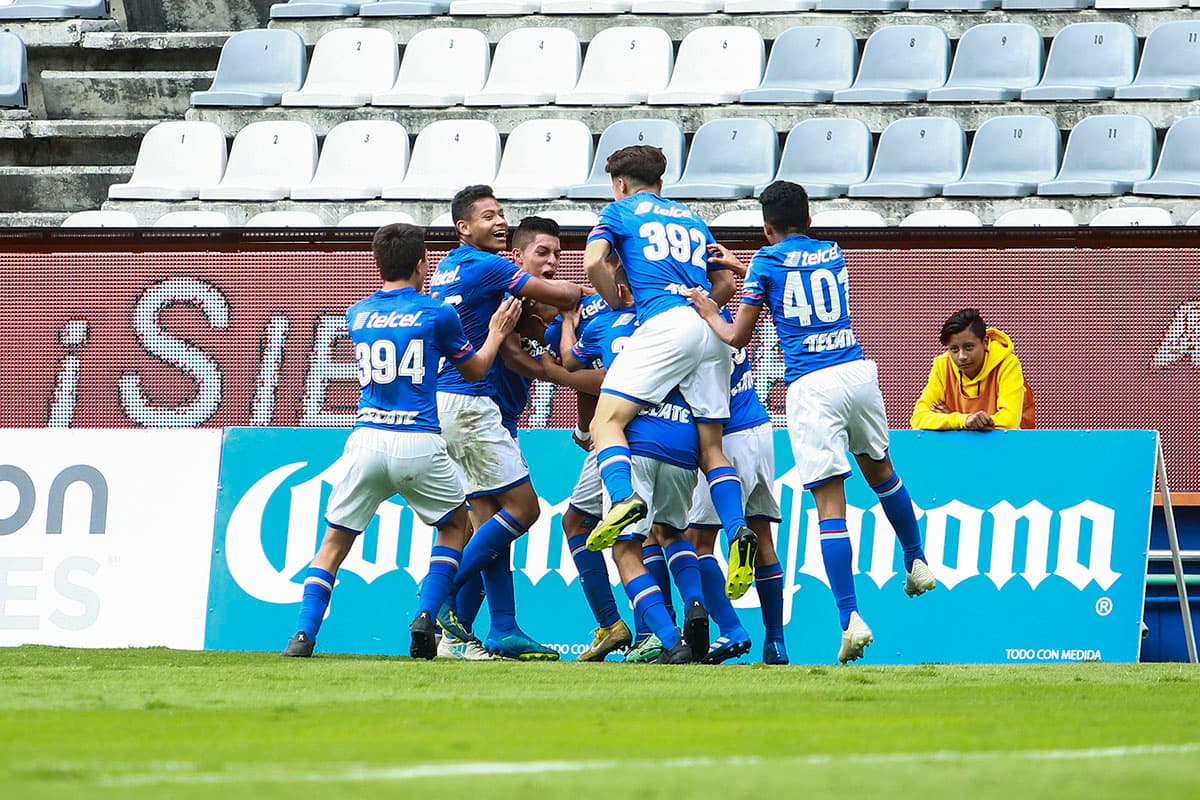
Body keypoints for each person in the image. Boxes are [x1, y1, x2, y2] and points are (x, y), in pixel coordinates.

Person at [686, 181, 937, 665]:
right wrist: (746, 266)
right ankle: (916, 559)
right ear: (809, 218)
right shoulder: (833, 252)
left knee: (831, 507)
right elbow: (794, 274)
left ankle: (849, 619)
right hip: (857, 372)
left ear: (766, 227)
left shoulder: (766, 261)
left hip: (811, 385)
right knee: (883, 473)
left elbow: (738, 335)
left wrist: (708, 307)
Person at [283, 223, 522, 660]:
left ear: (377, 264)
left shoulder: (358, 314)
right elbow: (476, 369)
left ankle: (303, 635)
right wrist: (496, 332)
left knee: (334, 544)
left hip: (368, 438)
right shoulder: (436, 313)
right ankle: (428, 618)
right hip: (418, 440)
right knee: (455, 528)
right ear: (421, 264)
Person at [582, 145, 758, 603]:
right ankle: (738, 529)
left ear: (620, 184)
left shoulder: (619, 211)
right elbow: (724, 283)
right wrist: (709, 305)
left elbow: (593, 262)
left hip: (666, 321)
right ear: (662, 181)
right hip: (707, 326)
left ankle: (622, 498)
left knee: (606, 421)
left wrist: (619, 300)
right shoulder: (693, 221)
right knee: (711, 447)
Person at [429, 186, 583, 661]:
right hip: (476, 407)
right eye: (489, 216)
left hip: (460, 408)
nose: (498, 220)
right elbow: (553, 313)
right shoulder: (495, 271)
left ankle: (497, 627)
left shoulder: (452, 267)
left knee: (490, 527)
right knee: (522, 509)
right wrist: (584, 298)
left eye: (502, 214)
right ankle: (442, 602)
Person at [563, 274, 709, 664]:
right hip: (683, 438)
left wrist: (565, 319)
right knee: (673, 533)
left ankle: (666, 638)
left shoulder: (603, 323)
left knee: (623, 547)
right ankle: (695, 603)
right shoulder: (680, 321)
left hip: (629, 439)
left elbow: (569, 363)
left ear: (622, 288)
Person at [685, 309, 788, 665]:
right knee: (762, 536)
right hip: (758, 428)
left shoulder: (683, 321)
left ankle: (730, 629)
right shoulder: (721, 313)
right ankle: (775, 642)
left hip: (721, 439)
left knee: (696, 543)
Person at [911, 309, 1036, 431]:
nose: (962, 357)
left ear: (985, 342)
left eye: (969, 347)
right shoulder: (942, 365)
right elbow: (918, 418)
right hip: (957, 447)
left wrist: (949, 419)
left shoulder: (1007, 364)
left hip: (1009, 447)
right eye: (954, 349)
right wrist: (963, 420)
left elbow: (1009, 423)